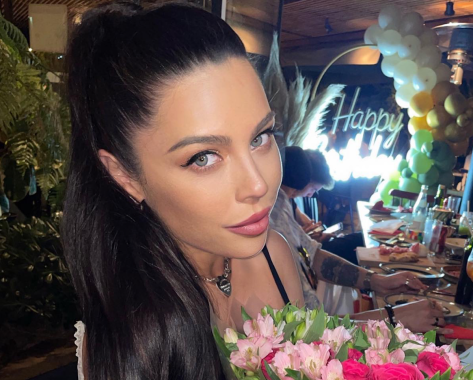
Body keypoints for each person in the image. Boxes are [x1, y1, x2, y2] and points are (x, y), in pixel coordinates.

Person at [63, 4, 449, 380]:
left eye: (261, 137)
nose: (259, 185)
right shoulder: (129, 340)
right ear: (125, 176)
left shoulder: (274, 255)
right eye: (203, 157)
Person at [270, 147, 451, 324]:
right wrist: (391, 318)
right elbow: (304, 334)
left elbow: (314, 255)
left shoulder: (279, 200)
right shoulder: (251, 241)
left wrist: (377, 281)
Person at [293, 149, 364, 265]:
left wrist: (318, 231)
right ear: (304, 178)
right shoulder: (280, 200)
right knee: (356, 246)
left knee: (359, 238)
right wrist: (306, 236)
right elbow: (291, 242)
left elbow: (299, 214)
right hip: (304, 254)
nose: (311, 195)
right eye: (313, 189)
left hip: (310, 245)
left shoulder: (290, 199)